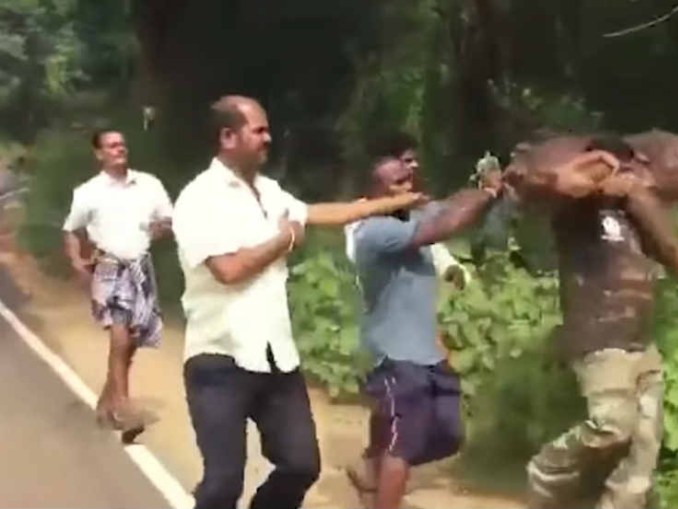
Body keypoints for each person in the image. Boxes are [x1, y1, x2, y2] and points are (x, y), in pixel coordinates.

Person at [171, 95, 426, 509]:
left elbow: (325, 213)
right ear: (228, 137)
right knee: (222, 484)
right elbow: (229, 270)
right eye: (258, 131)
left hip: (276, 356)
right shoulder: (199, 198)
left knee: (301, 465)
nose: (268, 138)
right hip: (219, 357)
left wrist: (395, 203)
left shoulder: (269, 191)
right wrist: (286, 238)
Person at [344, 155, 505, 509]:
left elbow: (449, 207)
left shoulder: (412, 217)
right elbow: (446, 225)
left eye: (408, 180)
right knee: (404, 444)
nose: (407, 187)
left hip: (427, 351)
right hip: (394, 354)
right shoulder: (373, 232)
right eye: (396, 183)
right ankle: (382, 485)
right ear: (374, 193)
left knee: (449, 436)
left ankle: (374, 468)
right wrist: (490, 194)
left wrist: (483, 187)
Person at [525, 185, 678, 508]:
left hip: (641, 342)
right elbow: (559, 182)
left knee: (645, 443)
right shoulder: (578, 214)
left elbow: (673, 243)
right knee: (612, 425)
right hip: (599, 338)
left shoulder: (642, 220)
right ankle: (547, 469)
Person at [62, 129, 173, 442]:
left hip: (140, 267)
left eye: (122, 144)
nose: (119, 149)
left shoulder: (149, 184)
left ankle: (106, 401)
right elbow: (71, 229)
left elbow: (168, 220)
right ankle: (123, 408)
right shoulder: (88, 192)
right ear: (99, 154)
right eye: (111, 146)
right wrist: (76, 260)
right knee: (120, 334)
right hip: (109, 267)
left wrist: (161, 227)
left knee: (133, 339)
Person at [503, 134, 678, 300]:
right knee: (637, 197)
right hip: (572, 195)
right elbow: (582, 182)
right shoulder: (605, 164)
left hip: (551, 200)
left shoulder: (562, 165)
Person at [345, 132, 472, 289]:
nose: (414, 166)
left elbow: (431, 246)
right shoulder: (360, 215)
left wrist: (451, 269)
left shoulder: (414, 211)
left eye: (414, 160)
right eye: (407, 161)